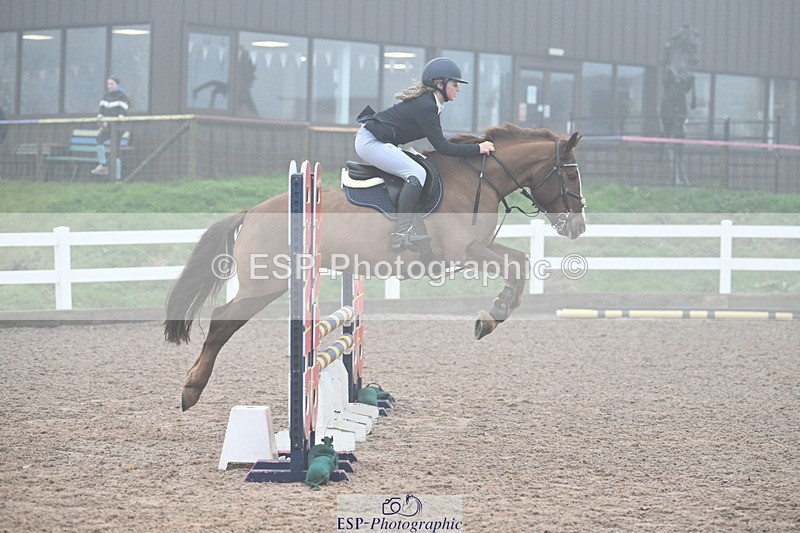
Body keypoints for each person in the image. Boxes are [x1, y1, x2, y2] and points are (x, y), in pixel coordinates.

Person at [355, 57, 495, 251]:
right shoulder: (426, 106)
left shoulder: (432, 104)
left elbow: (440, 140)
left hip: (378, 140)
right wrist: (477, 148)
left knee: (419, 169)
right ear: (440, 84)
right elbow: (442, 147)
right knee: (417, 173)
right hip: (370, 142)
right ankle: (401, 233)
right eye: (454, 84)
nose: (458, 89)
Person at [91, 76, 130, 175]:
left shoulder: (122, 97)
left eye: (112, 84)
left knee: (115, 152)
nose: (110, 86)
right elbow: (101, 113)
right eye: (108, 84)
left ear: (117, 85)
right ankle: (103, 164)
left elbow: (122, 114)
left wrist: (111, 121)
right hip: (107, 127)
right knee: (99, 139)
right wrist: (102, 121)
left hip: (117, 128)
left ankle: (117, 178)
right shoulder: (105, 96)